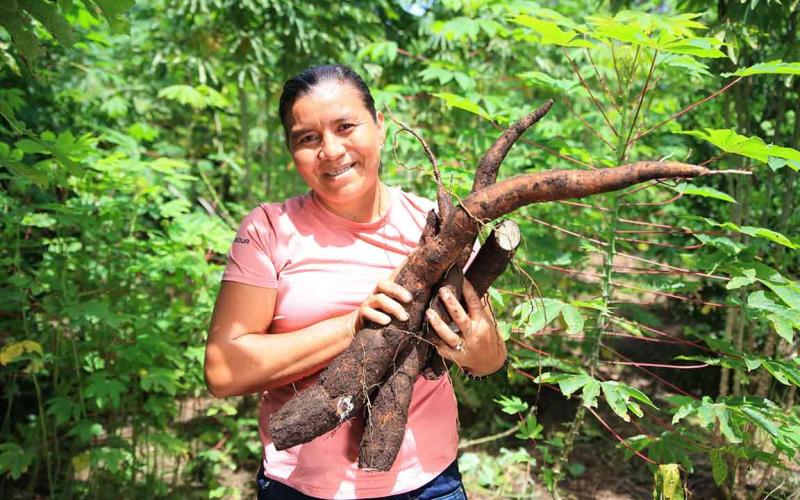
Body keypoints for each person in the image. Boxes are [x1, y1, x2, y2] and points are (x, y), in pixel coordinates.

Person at [203, 64, 507, 500]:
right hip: (302, 488)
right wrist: (353, 326)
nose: (330, 150)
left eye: (346, 127)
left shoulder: (438, 227)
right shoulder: (267, 229)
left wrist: (478, 348)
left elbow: (491, 358)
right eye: (307, 138)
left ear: (379, 127)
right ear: (292, 150)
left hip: (429, 483)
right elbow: (222, 369)